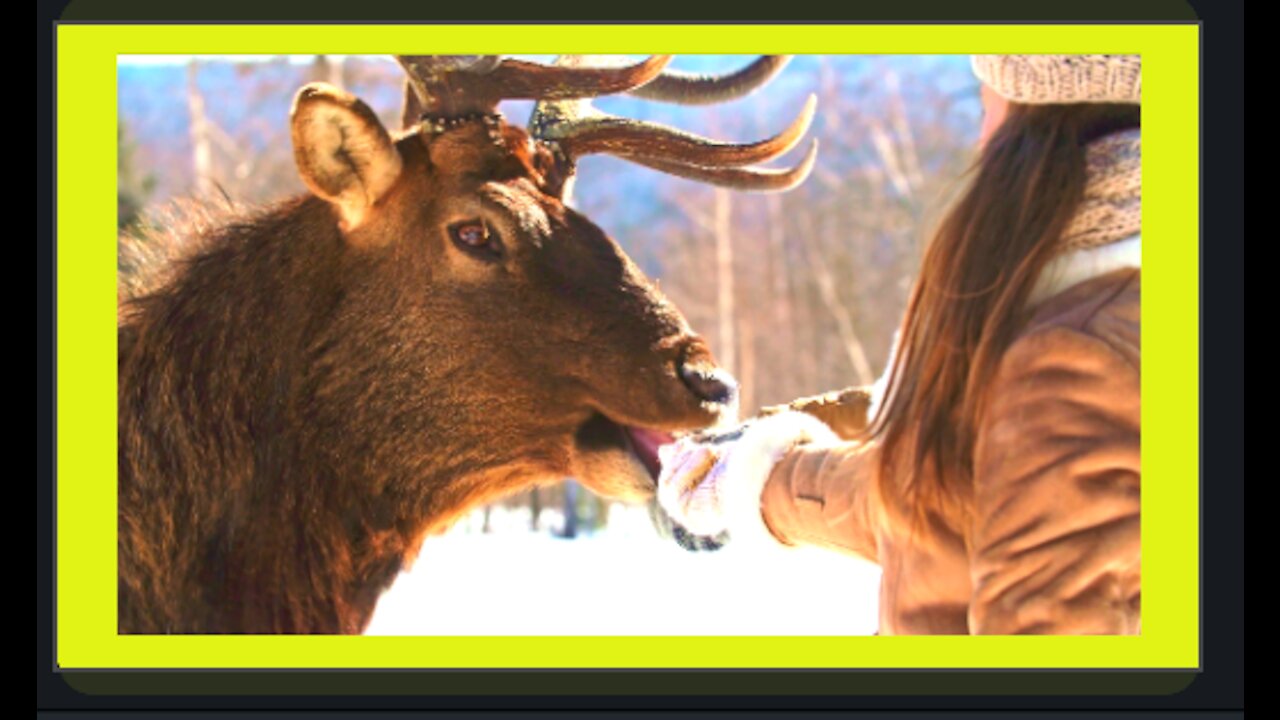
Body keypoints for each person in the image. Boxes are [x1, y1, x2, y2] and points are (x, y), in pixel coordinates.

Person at [655, 54, 1142, 635]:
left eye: (987, 106)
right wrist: (753, 478)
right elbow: (939, 509)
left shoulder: (1074, 362)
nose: (981, 139)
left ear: (1041, 123)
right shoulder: (1087, 320)